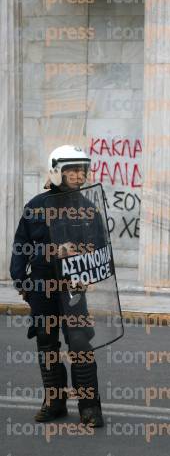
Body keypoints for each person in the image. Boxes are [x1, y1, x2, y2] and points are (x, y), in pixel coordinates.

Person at [9, 145, 104, 426]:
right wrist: (22, 283)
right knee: (47, 345)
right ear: (56, 171)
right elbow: (20, 247)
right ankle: (54, 402)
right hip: (41, 286)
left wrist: (82, 254)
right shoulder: (36, 206)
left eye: (81, 170)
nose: (78, 175)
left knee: (80, 344)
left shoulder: (87, 209)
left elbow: (99, 249)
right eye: (71, 169)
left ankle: (90, 407)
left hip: (73, 286)